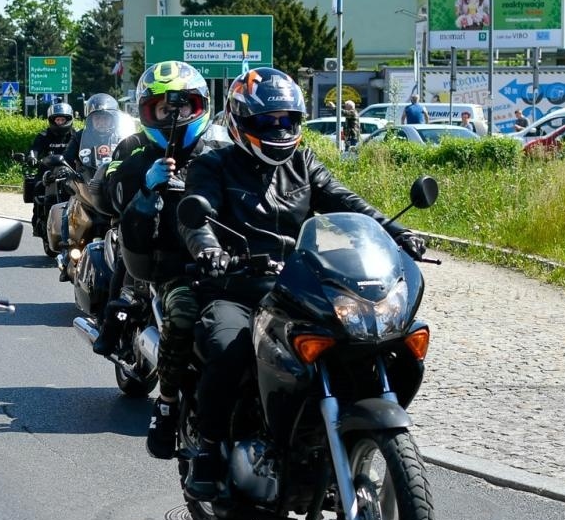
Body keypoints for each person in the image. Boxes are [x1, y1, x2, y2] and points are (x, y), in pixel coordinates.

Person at [177, 66, 426, 498]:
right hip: (237, 287)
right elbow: (198, 220)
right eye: (265, 122)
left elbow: (346, 202)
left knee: (368, 341)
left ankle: (336, 440)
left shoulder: (303, 162)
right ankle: (210, 449)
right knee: (229, 350)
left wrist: (395, 232)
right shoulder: (212, 165)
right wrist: (208, 250)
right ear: (240, 122)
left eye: (288, 120)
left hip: (296, 288)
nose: (279, 129)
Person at [91, 63, 213, 461]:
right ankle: (112, 323)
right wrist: (145, 180)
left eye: (180, 107)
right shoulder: (134, 148)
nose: (172, 115)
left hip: (212, 253)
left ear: (199, 106)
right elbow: (111, 190)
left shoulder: (217, 149)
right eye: (162, 108)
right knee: (129, 254)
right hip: (156, 248)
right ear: (147, 112)